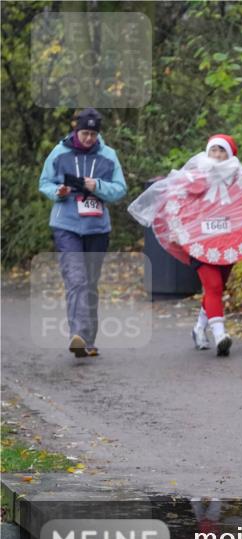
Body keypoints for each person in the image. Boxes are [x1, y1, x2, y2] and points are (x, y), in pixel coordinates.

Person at [128, 135, 242, 356]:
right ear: (207, 152)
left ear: (230, 155)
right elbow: (175, 205)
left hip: (227, 242)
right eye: (213, 150)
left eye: (222, 151)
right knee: (213, 286)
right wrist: (176, 230)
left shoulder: (239, 182)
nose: (217, 155)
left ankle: (198, 329)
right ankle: (220, 334)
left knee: (217, 287)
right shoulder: (193, 178)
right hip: (197, 244)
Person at [38, 108, 127, 357]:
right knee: (75, 279)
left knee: (90, 282)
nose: (88, 139)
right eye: (84, 133)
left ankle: (88, 339)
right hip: (66, 224)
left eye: (93, 134)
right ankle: (77, 335)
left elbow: (120, 189)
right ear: (76, 130)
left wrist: (95, 185)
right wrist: (59, 191)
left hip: (97, 226)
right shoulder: (59, 152)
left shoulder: (109, 156)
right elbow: (44, 182)